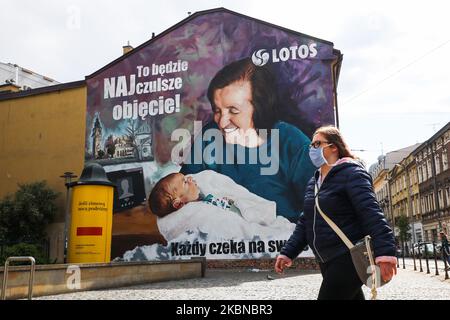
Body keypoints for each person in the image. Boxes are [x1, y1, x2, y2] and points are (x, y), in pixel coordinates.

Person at [180, 57, 316, 223]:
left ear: (259, 107)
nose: (222, 122)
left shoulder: (291, 142)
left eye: (233, 111)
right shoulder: (208, 137)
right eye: (217, 110)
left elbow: (321, 208)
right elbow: (179, 195)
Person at [274, 125, 397, 300]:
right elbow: (306, 220)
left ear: (333, 147)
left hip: (348, 256)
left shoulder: (352, 173)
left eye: (317, 144)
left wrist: (385, 253)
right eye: (311, 146)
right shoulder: (314, 181)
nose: (312, 149)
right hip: (326, 258)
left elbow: (370, 212)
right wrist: (288, 252)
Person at [148, 170, 296, 242]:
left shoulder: (202, 197)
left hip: (246, 214)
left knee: (278, 224)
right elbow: (224, 224)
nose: (191, 178)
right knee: (269, 233)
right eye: (185, 182)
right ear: (179, 203)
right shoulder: (197, 213)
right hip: (242, 223)